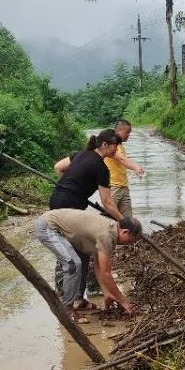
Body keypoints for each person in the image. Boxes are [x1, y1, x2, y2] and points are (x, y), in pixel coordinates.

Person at [49, 129, 125, 307]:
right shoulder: (101, 168)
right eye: (115, 147)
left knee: (74, 251)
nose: (117, 151)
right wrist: (123, 221)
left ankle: (74, 297)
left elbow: (58, 167)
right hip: (70, 208)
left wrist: (71, 187)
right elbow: (107, 202)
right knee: (78, 253)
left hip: (56, 201)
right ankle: (74, 300)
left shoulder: (80, 154)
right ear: (105, 145)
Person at [35, 208, 142, 322]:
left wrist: (107, 293)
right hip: (48, 226)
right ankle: (66, 309)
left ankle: (78, 301)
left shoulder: (111, 230)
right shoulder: (107, 235)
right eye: (131, 240)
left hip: (56, 225)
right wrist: (124, 302)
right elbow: (106, 274)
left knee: (76, 263)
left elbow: (99, 265)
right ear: (125, 232)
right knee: (73, 264)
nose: (129, 244)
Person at [104, 119, 145, 218]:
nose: (128, 135)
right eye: (127, 133)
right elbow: (121, 159)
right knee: (111, 219)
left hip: (124, 187)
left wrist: (135, 167)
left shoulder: (120, 146)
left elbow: (123, 162)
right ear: (118, 131)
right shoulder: (110, 145)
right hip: (113, 187)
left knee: (128, 219)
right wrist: (135, 167)